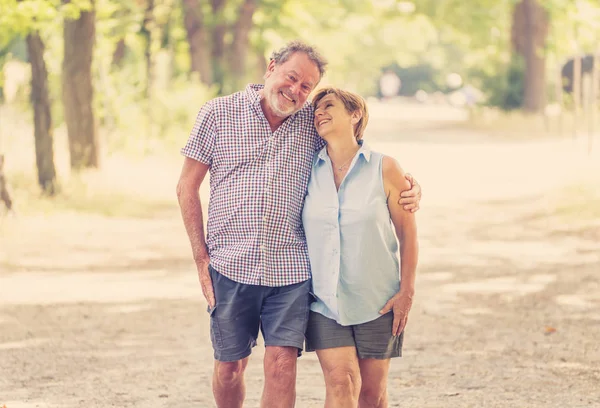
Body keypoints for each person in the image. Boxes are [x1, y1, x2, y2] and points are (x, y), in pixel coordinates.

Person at [176, 41, 422, 408]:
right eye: (292, 78)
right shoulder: (217, 113)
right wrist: (200, 259)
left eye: (306, 87)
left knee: (281, 366)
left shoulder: (311, 120)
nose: (296, 91)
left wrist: (408, 187)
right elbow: (186, 187)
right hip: (230, 266)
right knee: (229, 369)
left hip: (290, 271)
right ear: (271, 67)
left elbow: (353, 147)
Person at [303, 87, 418, 408]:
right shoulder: (305, 170)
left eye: (329, 106)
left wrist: (406, 292)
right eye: (316, 109)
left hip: (378, 300)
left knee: (372, 393)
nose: (319, 113)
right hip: (324, 301)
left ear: (356, 115)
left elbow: (408, 235)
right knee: (342, 382)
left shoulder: (386, 169)